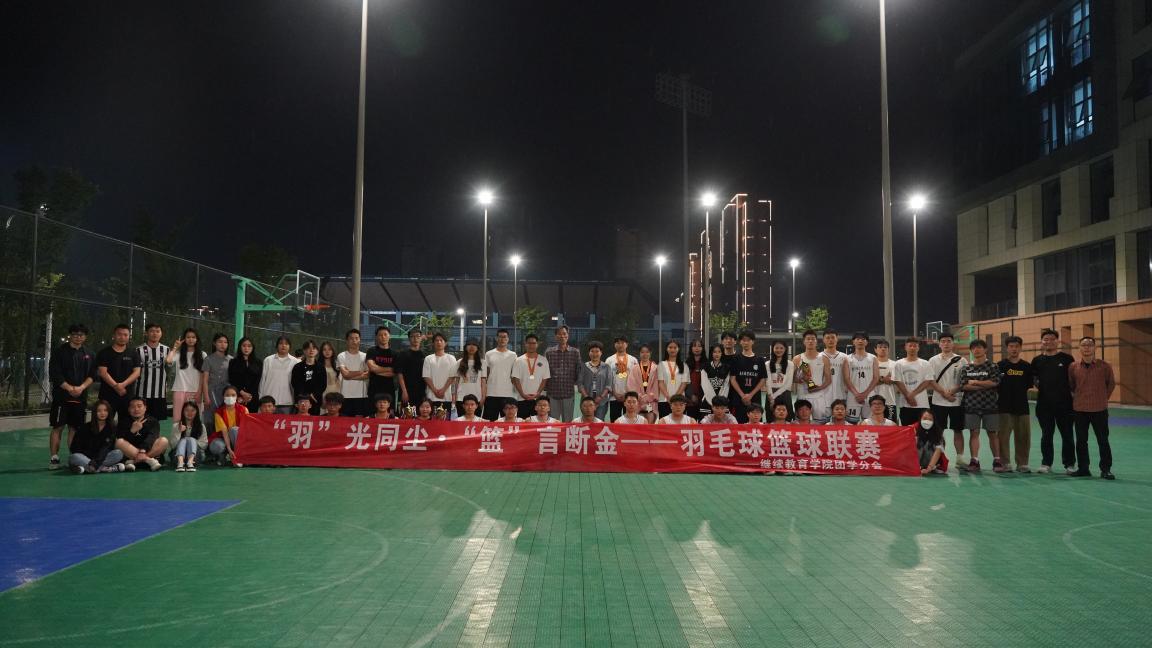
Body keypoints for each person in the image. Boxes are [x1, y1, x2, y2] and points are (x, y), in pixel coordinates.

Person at [1068, 336, 1116, 479]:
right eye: (1084, 345)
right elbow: (1071, 385)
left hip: (1099, 410)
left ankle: (1106, 469)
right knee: (1081, 441)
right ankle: (1083, 468)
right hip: (1080, 410)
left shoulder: (1104, 366)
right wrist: (1078, 398)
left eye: (1090, 344)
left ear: (1095, 348)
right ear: (1079, 348)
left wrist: (1103, 399)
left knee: (1103, 440)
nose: (1087, 347)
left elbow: (1111, 384)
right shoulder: (1073, 367)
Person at [1032, 329, 1076, 474]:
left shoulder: (1067, 359)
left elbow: (1073, 379)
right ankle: (1046, 463)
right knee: (1046, 435)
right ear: (1041, 342)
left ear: (1057, 341)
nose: (1049, 341)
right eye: (1045, 339)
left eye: (1052, 339)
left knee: (1067, 435)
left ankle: (1069, 464)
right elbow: (1034, 379)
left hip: (1065, 405)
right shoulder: (1037, 360)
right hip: (1044, 405)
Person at [959, 339, 1002, 473]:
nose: (976, 350)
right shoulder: (966, 367)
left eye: (979, 347)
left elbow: (994, 382)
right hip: (971, 405)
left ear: (985, 350)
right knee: (974, 433)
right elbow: (964, 386)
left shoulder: (993, 366)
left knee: (992, 433)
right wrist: (984, 384)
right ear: (971, 351)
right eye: (974, 348)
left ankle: (997, 460)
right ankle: (975, 461)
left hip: (990, 405)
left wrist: (975, 382)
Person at [926, 331, 968, 464]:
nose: (946, 344)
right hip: (938, 401)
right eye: (943, 341)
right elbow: (930, 380)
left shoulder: (962, 360)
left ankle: (960, 458)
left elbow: (965, 380)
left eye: (949, 341)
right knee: (939, 432)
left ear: (953, 343)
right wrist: (944, 393)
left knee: (958, 431)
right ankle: (939, 459)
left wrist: (953, 391)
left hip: (957, 401)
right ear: (939, 344)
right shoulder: (933, 360)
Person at [998, 336, 1035, 473]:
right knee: (1003, 437)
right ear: (1007, 348)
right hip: (1004, 407)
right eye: (1011, 346)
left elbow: (1029, 386)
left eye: (1016, 346)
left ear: (1020, 348)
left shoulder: (1026, 366)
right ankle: (1005, 463)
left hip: (1022, 407)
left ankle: (1022, 463)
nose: (1014, 349)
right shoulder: (1000, 365)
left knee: (1023, 437)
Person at [166, 328, 207, 438]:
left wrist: (200, 392)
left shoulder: (202, 354)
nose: (191, 339)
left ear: (197, 339)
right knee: (177, 418)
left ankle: (194, 442)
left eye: (193, 337)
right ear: (184, 339)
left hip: (196, 391)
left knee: (196, 419)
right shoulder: (178, 354)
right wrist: (175, 347)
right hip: (179, 389)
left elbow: (203, 375)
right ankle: (177, 442)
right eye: (188, 337)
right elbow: (168, 360)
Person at [96, 323, 141, 423]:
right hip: (107, 395)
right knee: (105, 423)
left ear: (129, 336)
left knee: (126, 424)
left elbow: (137, 372)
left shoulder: (133, 353)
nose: (122, 337)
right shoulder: (104, 353)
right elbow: (103, 372)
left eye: (125, 335)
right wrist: (116, 386)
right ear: (114, 335)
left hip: (127, 395)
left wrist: (122, 385)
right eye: (119, 334)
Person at [68, 400, 125, 474]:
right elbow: (74, 448)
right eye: (99, 411)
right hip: (86, 457)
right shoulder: (85, 427)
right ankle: (103, 468)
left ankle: (88, 468)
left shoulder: (112, 428)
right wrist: (91, 459)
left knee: (118, 453)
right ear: (94, 412)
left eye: (105, 410)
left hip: (101, 458)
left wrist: (96, 462)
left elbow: (106, 448)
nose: (102, 413)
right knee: (74, 457)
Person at [116, 396, 167, 471]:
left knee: (163, 441)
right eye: (133, 407)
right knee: (119, 442)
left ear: (145, 408)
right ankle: (148, 460)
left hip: (146, 451)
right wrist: (132, 431)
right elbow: (122, 438)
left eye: (139, 406)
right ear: (129, 409)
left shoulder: (153, 421)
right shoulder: (124, 422)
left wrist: (142, 451)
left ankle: (135, 461)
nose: (136, 409)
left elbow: (152, 437)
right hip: (132, 453)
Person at [728, 330, 766, 423]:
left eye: (748, 340)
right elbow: (732, 379)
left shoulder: (760, 360)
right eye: (743, 340)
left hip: (754, 398)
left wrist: (751, 395)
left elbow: (763, 379)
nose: (746, 342)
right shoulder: (735, 359)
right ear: (740, 342)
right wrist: (742, 395)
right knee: (739, 424)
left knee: (755, 425)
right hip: (739, 398)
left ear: (753, 342)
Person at [544, 325, 580, 422]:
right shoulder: (549, 352)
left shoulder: (575, 352)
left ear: (568, 335)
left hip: (568, 393)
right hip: (552, 393)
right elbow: (545, 372)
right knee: (552, 422)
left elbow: (578, 371)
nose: (562, 336)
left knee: (567, 423)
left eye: (564, 333)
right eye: (559, 334)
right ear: (555, 336)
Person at [134, 323, 170, 420]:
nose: (155, 334)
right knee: (141, 420)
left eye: (157, 331)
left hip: (160, 393)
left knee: (158, 421)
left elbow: (170, 368)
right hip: (142, 392)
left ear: (161, 333)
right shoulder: (138, 350)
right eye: (152, 331)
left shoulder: (166, 349)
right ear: (146, 333)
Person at [511, 334, 551, 419]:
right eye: (529, 343)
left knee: (538, 424)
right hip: (522, 399)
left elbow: (545, 379)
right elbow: (516, 379)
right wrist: (522, 394)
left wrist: (538, 393)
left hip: (538, 400)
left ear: (537, 344)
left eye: (533, 343)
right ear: (525, 344)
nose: (531, 345)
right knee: (522, 424)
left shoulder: (543, 360)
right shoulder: (518, 360)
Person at [483, 329, 519, 421]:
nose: (502, 339)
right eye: (500, 337)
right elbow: (486, 373)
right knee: (490, 422)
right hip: (491, 393)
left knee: (508, 421)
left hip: (508, 393)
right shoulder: (489, 354)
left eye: (504, 337)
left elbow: (514, 375)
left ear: (508, 339)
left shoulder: (513, 355)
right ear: (496, 338)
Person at [792, 330, 829, 421]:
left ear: (816, 341)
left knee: (820, 424)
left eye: (813, 339)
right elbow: (792, 378)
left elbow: (828, 380)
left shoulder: (824, 358)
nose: (810, 341)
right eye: (808, 339)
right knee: (801, 423)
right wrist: (800, 378)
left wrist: (817, 388)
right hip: (802, 396)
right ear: (804, 341)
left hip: (818, 397)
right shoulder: (797, 358)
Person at [893, 337, 931, 425]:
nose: (912, 348)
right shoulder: (898, 364)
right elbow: (898, 381)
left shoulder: (925, 363)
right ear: (905, 347)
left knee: (923, 429)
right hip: (905, 404)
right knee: (907, 429)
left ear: (918, 348)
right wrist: (908, 396)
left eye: (915, 346)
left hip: (922, 403)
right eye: (910, 346)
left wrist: (912, 394)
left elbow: (927, 381)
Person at [844, 332, 878, 423]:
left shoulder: (873, 358)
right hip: (852, 396)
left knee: (869, 423)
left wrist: (865, 394)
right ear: (853, 342)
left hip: (869, 395)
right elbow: (846, 378)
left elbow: (876, 378)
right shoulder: (847, 359)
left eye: (863, 339)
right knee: (851, 423)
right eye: (858, 339)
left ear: (867, 342)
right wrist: (856, 394)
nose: (860, 341)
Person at [259, 336, 299, 414]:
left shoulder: (296, 362)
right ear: (277, 346)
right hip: (268, 403)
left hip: (287, 403)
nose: (283, 345)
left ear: (290, 346)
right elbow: (262, 380)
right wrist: (261, 399)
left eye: (286, 344)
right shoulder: (268, 360)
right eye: (281, 343)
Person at [208, 385, 246, 466]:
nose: (230, 397)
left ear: (237, 397)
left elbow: (246, 430)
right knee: (216, 446)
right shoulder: (218, 412)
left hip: (239, 439)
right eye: (227, 395)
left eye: (233, 395)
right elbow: (224, 432)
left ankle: (238, 456)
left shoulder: (244, 409)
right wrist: (229, 449)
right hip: (223, 438)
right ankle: (225, 454)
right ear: (223, 397)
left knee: (234, 430)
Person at [577, 340, 613, 421]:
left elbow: (608, 385)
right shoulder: (583, 367)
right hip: (586, 402)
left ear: (601, 353)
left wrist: (600, 397)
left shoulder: (606, 367)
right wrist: (587, 397)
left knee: (599, 422)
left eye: (597, 351)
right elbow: (580, 384)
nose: (594, 354)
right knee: (586, 421)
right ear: (589, 353)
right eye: (592, 351)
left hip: (601, 402)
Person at [337, 330, 369, 417]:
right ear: (347, 341)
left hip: (362, 396)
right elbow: (345, 374)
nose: (354, 341)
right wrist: (361, 372)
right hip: (345, 395)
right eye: (351, 338)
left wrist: (349, 375)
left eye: (356, 338)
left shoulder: (365, 356)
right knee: (345, 422)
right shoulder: (341, 356)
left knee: (360, 422)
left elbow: (367, 375)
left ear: (360, 340)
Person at [422, 332, 457, 411]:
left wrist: (444, 390)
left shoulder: (451, 358)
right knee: (432, 418)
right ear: (433, 343)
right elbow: (426, 376)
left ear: (445, 343)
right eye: (436, 340)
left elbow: (452, 377)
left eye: (441, 340)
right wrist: (435, 391)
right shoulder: (428, 358)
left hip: (447, 397)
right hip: (431, 397)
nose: (439, 342)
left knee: (446, 418)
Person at [607, 336, 639, 421]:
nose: (620, 345)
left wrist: (627, 394)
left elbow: (636, 380)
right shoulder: (609, 360)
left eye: (622, 343)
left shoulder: (633, 360)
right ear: (614, 345)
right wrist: (614, 393)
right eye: (618, 343)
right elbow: (608, 379)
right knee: (614, 421)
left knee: (629, 420)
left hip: (629, 397)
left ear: (627, 344)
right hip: (614, 396)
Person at [365, 325, 397, 407]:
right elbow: (372, 368)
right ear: (376, 337)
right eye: (380, 335)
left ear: (389, 336)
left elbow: (394, 372)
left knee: (389, 414)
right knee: (372, 413)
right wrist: (389, 369)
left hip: (389, 390)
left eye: (385, 334)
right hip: (374, 389)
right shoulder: (371, 351)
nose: (383, 337)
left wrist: (377, 371)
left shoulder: (395, 354)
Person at [625, 344, 659, 422]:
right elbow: (631, 385)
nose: (645, 354)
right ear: (639, 353)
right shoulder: (634, 368)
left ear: (650, 353)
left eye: (647, 352)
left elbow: (657, 385)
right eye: (642, 352)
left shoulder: (655, 368)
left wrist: (649, 397)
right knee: (639, 424)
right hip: (638, 402)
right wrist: (639, 396)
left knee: (650, 424)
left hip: (651, 402)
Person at [291, 341, 325, 415]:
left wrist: (314, 394)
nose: (311, 350)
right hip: (301, 400)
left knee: (315, 420)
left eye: (314, 348)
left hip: (315, 400)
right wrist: (307, 395)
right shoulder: (297, 367)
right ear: (304, 350)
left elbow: (323, 385)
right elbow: (295, 383)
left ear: (317, 351)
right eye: (308, 348)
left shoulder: (321, 367)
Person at [203, 333, 231, 422]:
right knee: (211, 419)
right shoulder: (208, 359)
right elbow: (205, 380)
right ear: (214, 343)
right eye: (220, 342)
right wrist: (206, 397)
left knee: (225, 419)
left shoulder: (231, 359)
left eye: (225, 342)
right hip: (211, 393)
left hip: (226, 394)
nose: (223, 344)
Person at [657, 340, 689, 418]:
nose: (672, 350)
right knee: (664, 423)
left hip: (680, 401)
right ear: (666, 349)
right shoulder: (661, 364)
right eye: (670, 347)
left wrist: (675, 398)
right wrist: (668, 397)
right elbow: (660, 382)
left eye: (675, 347)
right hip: (664, 400)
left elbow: (684, 383)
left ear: (678, 349)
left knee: (679, 423)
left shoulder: (684, 365)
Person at [228, 336, 262, 409]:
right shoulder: (233, 362)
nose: (246, 348)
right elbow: (232, 380)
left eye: (249, 346)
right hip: (238, 396)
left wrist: (249, 396)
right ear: (240, 347)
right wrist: (242, 393)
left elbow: (258, 380)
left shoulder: (258, 362)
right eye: (244, 346)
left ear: (253, 348)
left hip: (252, 397)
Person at [766, 340, 796, 420]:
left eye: (781, 348)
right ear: (773, 349)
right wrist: (771, 396)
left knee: (787, 419)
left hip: (785, 393)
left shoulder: (790, 364)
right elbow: (768, 382)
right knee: (771, 418)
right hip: (770, 393)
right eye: (776, 348)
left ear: (785, 349)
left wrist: (773, 396)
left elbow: (788, 384)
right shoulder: (767, 364)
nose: (779, 350)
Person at [820, 329, 849, 413]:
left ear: (837, 339)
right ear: (823, 340)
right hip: (823, 397)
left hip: (841, 396)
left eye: (833, 337)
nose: (830, 340)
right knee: (823, 421)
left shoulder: (845, 357)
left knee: (839, 421)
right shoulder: (819, 357)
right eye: (828, 338)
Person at [171, 400, 204, 472]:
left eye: (193, 410)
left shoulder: (201, 426)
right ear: (183, 412)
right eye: (187, 410)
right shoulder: (176, 426)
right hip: (177, 457)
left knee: (190, 439)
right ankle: (180, 463)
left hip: (195, 457)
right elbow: (173, 445)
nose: (190, 413)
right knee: (184, 439)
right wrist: (179, 432)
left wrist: (191, 443)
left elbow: (204, 444)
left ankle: (190, 462)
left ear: (197, 412)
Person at [453, 339, 484, 417]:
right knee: (462, 421)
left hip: (477, 399)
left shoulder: (482, 362)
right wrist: (454, 397)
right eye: (469, 344)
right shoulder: (459, 362)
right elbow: (455, 382)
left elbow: (483, 382)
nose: (471, 347)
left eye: (474, 345)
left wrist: (483, 398)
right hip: (461, 398)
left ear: (477, 348)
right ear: (465, 347)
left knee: (476, 422)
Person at [871, 340, 899, 423]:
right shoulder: (871, 364)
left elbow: (895, 380)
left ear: (888, 349)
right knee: (874, 425)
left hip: (890, 401)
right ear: (875, 349)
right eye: (880, 347)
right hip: (873, 401)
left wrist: (879, 379)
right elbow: (870, 381)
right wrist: (883, 379)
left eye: (885, 347)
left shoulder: (894, 364)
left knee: (891, 426)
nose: (883, 349)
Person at [397, 329, 427, 408]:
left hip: (420, 391)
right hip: (406, 391)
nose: (415, 339)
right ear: (409, 339)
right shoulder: (403, 354)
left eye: (418, 336)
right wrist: (404, 391)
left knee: (420, 414)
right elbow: (400, 374)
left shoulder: (424, 355)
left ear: (421, 338)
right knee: (406, 414)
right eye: (412, 336)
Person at [700, 344, 731, 416]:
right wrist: (713, 401)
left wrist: (720, 401)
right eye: (714, 352)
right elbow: (705, 385)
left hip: (722, 401)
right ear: (711, 353)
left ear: (722, 353)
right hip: (707, 401)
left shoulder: (727, 367)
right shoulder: (705, 366)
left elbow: (726, 386)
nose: (717, 354)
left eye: (719, 352)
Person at [916, 410, 946, 475]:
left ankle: (931, 466)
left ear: (934, 421)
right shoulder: (915, 430)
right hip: (917, 463)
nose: (927, 421)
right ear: (920, 419)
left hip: (932, 463)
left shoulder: (938, 433)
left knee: (930, 445)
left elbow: (938, 451)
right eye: (924, 418)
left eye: (930, 419)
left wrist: (928, 469)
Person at [685, 339, 707, 419]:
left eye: (699, 346)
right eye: (694, 346)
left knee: (703, 424)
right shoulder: (686, 364)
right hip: (690, 400)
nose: (697, 348)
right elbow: (684, 382)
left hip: (704, 400)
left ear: (702, 348)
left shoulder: (707, 364)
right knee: (692, 424)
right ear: (691, 348)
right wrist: (691, 395)